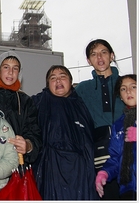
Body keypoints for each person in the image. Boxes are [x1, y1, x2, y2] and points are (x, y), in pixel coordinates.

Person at [31, 65, 98, 200]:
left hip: (80, 170)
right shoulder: (37, 103)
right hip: (51, 169)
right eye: (53, 78)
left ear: (71, 81)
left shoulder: (83, 104)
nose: (58, 81)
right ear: (47, 84)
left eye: (62, 77)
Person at [75, 39, 125, 199]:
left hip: (129, 148)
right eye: (94, 54)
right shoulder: (83, 89)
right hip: (99, 153)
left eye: (103, 52)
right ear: (89, 61)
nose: (99, 57)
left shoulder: (127, 84)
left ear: (111, 55)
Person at [96, 74, 137, 200]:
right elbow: (115, 158)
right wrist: (105, 173)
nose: (128, 91)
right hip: (127, 188)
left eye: (133, 86)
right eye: (123, 89)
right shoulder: (119, 124)